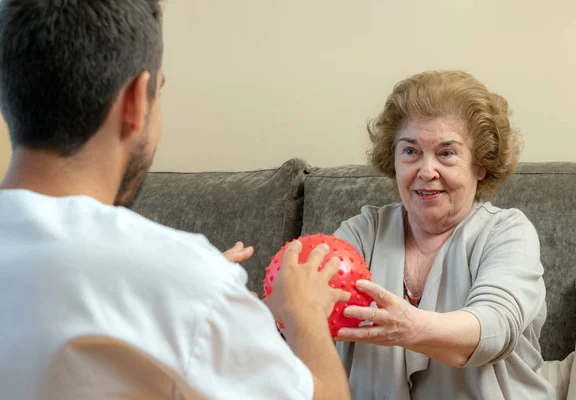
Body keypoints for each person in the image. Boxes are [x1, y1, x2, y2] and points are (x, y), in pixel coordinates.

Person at [0, 1, 351, 399]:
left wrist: (183, 295)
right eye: (159, 92)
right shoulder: (186, 281)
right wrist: (304, 314)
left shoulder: (181, 284)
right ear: (135, 101)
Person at [331, 70, 556, 399]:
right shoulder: (364, 231)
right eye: (410, 151)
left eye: (446, 153)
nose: (425, 170)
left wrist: (411, 327)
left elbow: (496, 326)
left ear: (480, 164)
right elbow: (306, 298)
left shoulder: (507, 232)